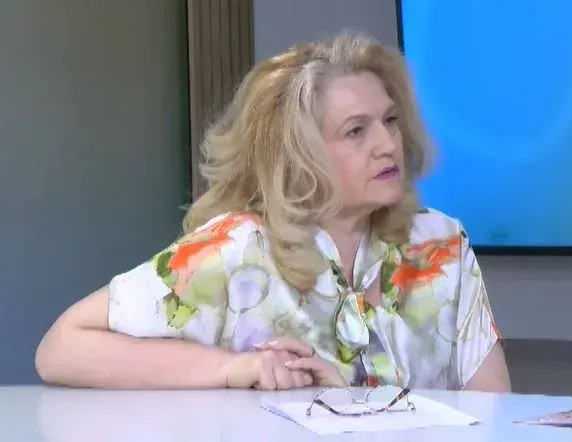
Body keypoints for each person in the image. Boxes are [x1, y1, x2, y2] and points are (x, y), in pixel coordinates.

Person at [34, 31, 511, 393]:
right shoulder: (238, 246)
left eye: (390, 121)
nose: (388, 144)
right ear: (300, 154)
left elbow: (492, 413)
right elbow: (61, 347)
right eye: (356, 131)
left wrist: (350, 401)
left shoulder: (441, 243)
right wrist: (233, 369)